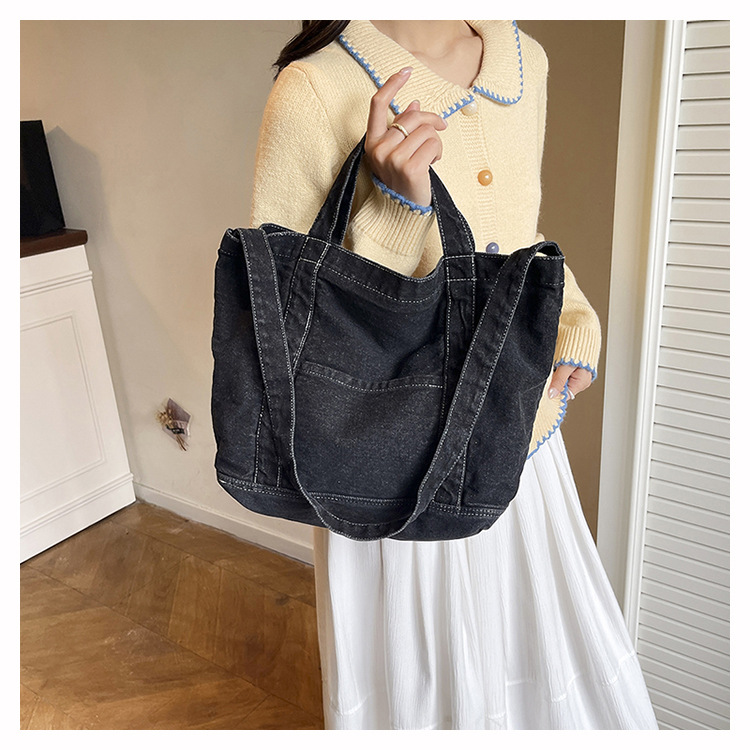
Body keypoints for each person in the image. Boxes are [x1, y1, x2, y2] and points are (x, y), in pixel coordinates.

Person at [249, 20, 659, 730]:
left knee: (542, 663)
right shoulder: (314, 86)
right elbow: (292, 315)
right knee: (422, 691)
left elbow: (521, 235)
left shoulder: (523, 62)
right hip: (389, 463)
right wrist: (398, 207)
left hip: (518, 432)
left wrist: (572, 318)